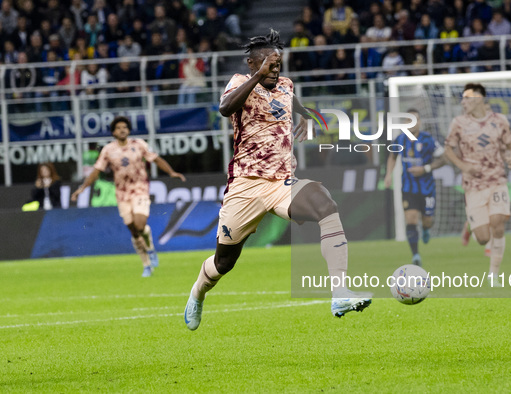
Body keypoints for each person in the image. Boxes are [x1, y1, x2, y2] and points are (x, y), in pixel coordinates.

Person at [184, 29, 371, 331]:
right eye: (268, 65)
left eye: (277, 65)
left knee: (326, 204)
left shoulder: (285, 85)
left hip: (281, 182)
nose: (274, 70)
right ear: (251, 63)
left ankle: (339, 293)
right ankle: (197, 293)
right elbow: (224, 108)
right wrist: (257, 77)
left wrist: (306, 114)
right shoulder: (238, 83)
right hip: (245, 185)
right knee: (224, 263)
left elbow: (290, 100)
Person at [71, 116, 186, 277]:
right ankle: (146, 264)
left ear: (129, 129)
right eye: (118, 128)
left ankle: (150, 250)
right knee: (134, 231)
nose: (122, 129)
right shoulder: (108, 150)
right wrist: (82, 188)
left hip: (139, 189)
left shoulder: (139, 144)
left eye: (124, 127)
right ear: (113, 132)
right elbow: (96, 171)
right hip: (122, 194)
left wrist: (171, 172)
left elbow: (156, 159)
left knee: (139, 225)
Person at [444, 83, 511, 287]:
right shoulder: (458, 123)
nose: (463, 102)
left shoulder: (499, 120)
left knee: (498, 222)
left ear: (479, 98)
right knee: (483, 238)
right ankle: (470, 226)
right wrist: (463, 166)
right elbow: (448, 149)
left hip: (497, 180)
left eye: (467, 98)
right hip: (473, 185)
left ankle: (493, 274)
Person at [384, 109, 446, 266]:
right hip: (408, 187)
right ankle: (415, 254)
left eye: (415, 120)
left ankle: (425, 229)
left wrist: (425, 169)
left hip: (427, 187)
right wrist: (388, 174)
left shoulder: (428, 139)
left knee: (427, 221)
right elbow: (392, 157)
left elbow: (443, 159)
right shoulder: (400, 139)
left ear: (419, 122)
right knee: (411, 218)